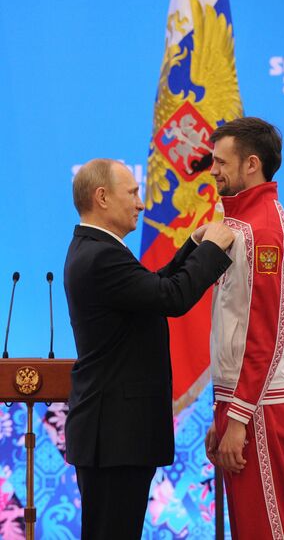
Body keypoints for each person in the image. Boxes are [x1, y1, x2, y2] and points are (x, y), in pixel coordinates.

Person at [64, 158, 234, 540]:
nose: (141, 203)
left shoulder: (94, 249)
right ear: (102, 197)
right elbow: (171, 298)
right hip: (114, 439)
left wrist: (192, 246)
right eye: (134, 193)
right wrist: (215, 250)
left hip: (111, 437)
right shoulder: (101, 256)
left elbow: (151, 289)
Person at [204, 117, 284, 539]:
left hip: (259, 405)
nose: (212, 171)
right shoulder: (237, 225)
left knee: (269, 530)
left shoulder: (264, 232)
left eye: (220, 162)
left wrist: (240, 416)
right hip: (241, 400)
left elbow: (265, 336)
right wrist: (223, 412)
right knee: (251, 529)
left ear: (251, 165)